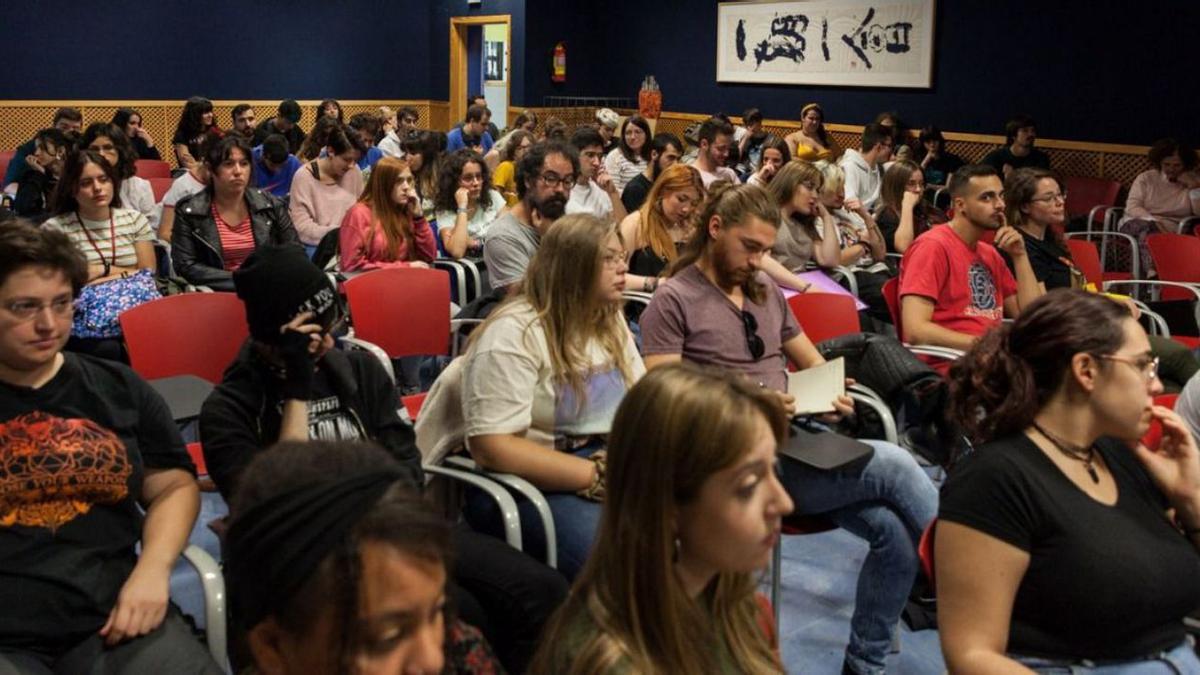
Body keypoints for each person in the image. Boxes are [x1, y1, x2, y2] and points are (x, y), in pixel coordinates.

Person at [638, 181, 938, 675]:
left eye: (766, 251)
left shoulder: (764, 294)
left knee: (895, 536)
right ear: (715, 229)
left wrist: (830, 394)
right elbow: (665, 397)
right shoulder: (674, 298)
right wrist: (749, 398)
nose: (759, 261)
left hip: (797, 440)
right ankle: (973, 577)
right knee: (895, 462)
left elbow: (812, 363)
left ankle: (863, 665)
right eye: (750, 248)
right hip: (729, 456)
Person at [939, 289, 1200, 671]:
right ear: (1086, 371)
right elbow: (972, 656)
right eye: (1144, 366)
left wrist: (1191, 502)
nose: (1158, 386)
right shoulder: (995, 479)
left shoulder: (1118, 455)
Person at [0, 222, 221, 674]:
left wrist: (153, 570)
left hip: (114, 619)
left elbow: (173, 487)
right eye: (24, 308)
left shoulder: (116, 387)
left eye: (62, 305)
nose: (48, 324)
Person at [530, 363, 790, 674]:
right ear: (668, 507)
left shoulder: (738, 608)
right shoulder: (609, 663)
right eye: (748, 487)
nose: (785, 503)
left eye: (773, 470)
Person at [463, 214, 645, 581]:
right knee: (620, 557)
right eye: (608, 259)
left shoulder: (607, 317)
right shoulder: (513, 334)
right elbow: (493, 447)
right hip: (527, 476)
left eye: (621, 257)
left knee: (701, 518)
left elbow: (641, 399)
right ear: (573, 268)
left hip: (604, 456)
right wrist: (595, 474)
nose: (622, 268)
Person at [224, 442, 458, 675]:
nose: (434, 660)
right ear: (272, 647)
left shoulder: (463, 651)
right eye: (387, 638)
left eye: (436, 611)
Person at [1002, 167, 1200, 393]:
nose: (1059, 202)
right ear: (1025, 206)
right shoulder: (1022, 248)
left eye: (1060, 195)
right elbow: (1038, 308)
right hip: (1069, 337)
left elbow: (1078, 290)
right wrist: (1101, 306)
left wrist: (1109, 299)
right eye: (1049, 198)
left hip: (1087, 326)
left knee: (1172, 384)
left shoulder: (1051, 240)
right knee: (1179, 357)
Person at [898, 164, 1043, 353]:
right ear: (960, 205)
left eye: (1001, 195)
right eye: (987, 197)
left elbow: (1030, 316)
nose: (1000, 205)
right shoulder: (932, 247)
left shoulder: (989, 253)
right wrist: (987, 345)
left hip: (990, 360)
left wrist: (1020, 256)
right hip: (952, 364)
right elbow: (915, 331)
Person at [44, 149, 156, 362]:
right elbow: (60, 283)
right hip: (83, 317)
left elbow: (148, 272)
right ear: (72, 189)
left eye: (103, 179)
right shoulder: (56, 229)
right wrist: (124, 274)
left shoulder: (134, 219)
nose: (97, 188)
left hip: (136, 309)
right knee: (107, 349)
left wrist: (101, 271)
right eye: (86, 183)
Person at [172, 136, 299, 290]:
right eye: (228, 164)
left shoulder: (271, 205)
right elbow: (186, 266)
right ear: (211, 168)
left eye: (244, 164)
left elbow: (295, 252)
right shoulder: (189, 211)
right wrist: (244, 280)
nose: (238, 171)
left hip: (267, 291)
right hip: (216, 293)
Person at [483, 140, 579, 292]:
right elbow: (533, 298)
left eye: (567, 181)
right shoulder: (503, 236)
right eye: (551, 179)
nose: (561, 189)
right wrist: (549, 240)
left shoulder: (566, 222)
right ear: (528, 180)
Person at [1119, 138, 1200, 278]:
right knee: (1146, 228)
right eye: (1166, 164)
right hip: (1135, 222)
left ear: (1185, 165)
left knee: (1145, 237)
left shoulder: (1193, 182)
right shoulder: (1146, 178)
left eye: (1177, 165)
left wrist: (1194, 188)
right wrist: (1153, 222)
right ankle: (1153, 275)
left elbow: (1198, 213)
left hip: (1172, 228)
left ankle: (1147, 279)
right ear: (1159, 163)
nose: (1171, 169)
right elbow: (1132, 206)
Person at [339, 156, 436, 272]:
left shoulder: (407, 210)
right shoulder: (359, 214)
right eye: (398, 181)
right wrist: (405, 267)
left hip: (402, 282)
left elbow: (429, 256)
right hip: (370, 285)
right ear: (383, 184)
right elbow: (351, 266)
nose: (406, 187)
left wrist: (419, 219)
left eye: (409, 180)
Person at [618, 163, 704, 292]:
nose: (686, 209)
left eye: (693, 203)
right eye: (681, 199)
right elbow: (613, 276)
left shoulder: (690, 228)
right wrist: (656, 283)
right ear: (663, 191)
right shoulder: (635, 223)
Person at [763, 160, 842, 288]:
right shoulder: (767, 215)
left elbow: (829, 260)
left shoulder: (803, 222)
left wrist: (826, 217)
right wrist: (803, 287)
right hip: (779, 289)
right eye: (809, 187)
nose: (815, 196)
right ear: (791, 183)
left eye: (817, 190)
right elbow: (762, 262)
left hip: (802, 286)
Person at [288, 125, 366, 249]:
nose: (351, 165)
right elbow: (301, 228)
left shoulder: (354, 171)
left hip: (352, 242)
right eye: (346, 159)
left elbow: (363, 210)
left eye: (355, 160)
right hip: (317, 246)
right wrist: (341, 233)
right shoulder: (304, 176)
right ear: (331, 151)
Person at [81, 122, 159, 231]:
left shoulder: (140, 186)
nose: (102, 154)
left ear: (120, 150)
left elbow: (152, 228)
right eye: (94, 149)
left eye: (108, 148)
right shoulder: (79, 187)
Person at [434, 149, 505, 259]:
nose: (476, 183)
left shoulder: (492, 195)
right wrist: (462, 207)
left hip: (500, 258)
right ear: (454, 182)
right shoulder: (445, 211)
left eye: (479, 176)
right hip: (475, 270)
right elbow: (457, 252)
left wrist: (476, 244)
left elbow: (512, 230)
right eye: (468, 178)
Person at [874, 159, 947, 253]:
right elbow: (904, 247)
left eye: (921, 184)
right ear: (896, 186)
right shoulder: (886, 215)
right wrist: (907, 206)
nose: (918, 189)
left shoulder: (924, 207)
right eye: (911, 184)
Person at [3, 107, 83, 189]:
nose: (68, 133)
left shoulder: (83, 149)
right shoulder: (30, 148)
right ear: (54, 127)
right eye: (64, 127)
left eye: (75, 129)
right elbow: (10, 184)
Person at [566, 127, 627, 224]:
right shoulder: (563, 190)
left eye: (599, 156)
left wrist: (612, 193)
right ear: (574, 155)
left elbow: (624, 227)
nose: (597, 163)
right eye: (590, 155)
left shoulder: (600, 189)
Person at [13, 128, 68, 222]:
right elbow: (22, 210)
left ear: (60, 151)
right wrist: (39, 174)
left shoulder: (74, 174)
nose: (36, 153)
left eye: (42, 148)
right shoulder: (32, 175)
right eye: (36, 148)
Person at [620, 132, 683, 214]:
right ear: (654, 154)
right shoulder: (635, 189)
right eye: (671, 157)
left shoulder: (669, 184)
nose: (676, 164)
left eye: (678, 159)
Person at [839, 123, 894, 214]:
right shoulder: (850, 167)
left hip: (873, 220)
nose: (891, 150)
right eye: (889, 146)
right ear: (878, 147)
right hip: (854, 223)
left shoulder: (878, 168)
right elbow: (850, 205)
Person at [981, 114, 1051, 179]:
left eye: (1033, 131)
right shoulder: (996, 157)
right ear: (1013, 135)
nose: (1030, 134)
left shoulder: (1041, 158)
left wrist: (1012, 176)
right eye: (1025, 131)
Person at [402, 131, 443, 223]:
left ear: (427, 155)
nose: (407, 157)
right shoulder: (402, 176)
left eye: (413, 153)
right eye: (406, 152)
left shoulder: (442, 177)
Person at [604, 115, 651, 193]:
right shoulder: (615, 156)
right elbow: (612, 190)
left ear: (646, 134)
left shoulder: (653, 155)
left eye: (638, 132)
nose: (633, 137)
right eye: (628, 133)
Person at [171, 96, 221, 171]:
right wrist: (208, 165)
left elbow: (221, 159)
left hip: (212, 172)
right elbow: (187, 162)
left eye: (211, 111)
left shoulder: (215, 132)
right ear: (194, 115)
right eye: (206, 113)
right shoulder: (182, 134)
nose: (210, 115)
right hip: (189, 173)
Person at [691, 116, 740, 188]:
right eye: (721, 149)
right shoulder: (690, 177)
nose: (727, 154)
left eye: (728, 148)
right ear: (704, 144)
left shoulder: (729, 174)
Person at [251, 133, 302, 199]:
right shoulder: (250, 160)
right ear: (263, 157)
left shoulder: (293, 163)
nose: (277, 170)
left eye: (282, 166)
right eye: (272, 165)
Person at [492, 129, 534, 207]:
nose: (525, 151)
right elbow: (495, 195)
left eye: (528, 147)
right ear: (513, 152)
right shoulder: (506, 166)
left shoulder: (535, 169)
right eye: (520, 148)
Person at [734, 107, 769, 179]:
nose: (748, 128)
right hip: (744, 171)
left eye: (751, 124)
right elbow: (735, 158)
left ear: (759, 123)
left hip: (759, 170)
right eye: (746, 125)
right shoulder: (743, 135)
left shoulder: (769, 139)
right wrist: (745, 138)